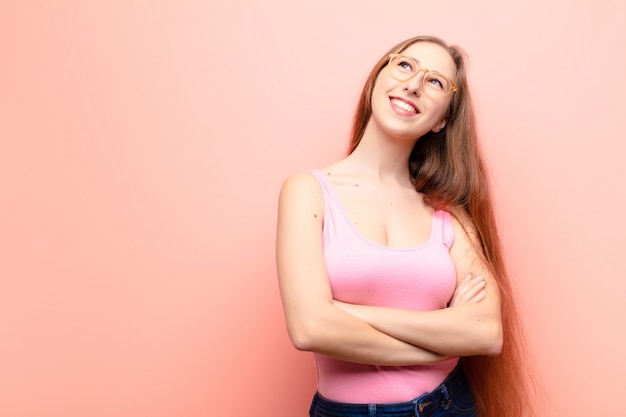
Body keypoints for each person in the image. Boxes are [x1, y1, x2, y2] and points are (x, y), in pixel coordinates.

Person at [276, 35, 534, 417]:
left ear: (443, 119)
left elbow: (487, 333)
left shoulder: (448, 211)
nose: (414, 84)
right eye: (405, 65)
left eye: (435, 82)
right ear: (377, 79)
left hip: (447, 405)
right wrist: (444, 338)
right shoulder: (308, 191)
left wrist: (350, 313)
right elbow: (310, 329)